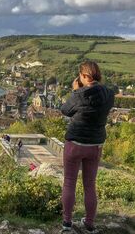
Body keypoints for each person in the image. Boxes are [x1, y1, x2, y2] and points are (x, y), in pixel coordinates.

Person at [60, 61, 114, 233]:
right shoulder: (109, 93)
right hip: (95, 144)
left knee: (69, 182)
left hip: (75, 143)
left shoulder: (79, 94)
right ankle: (89, 223)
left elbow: (65, 110)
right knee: (90, 184)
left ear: (83, 76)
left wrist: (76, 91)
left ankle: (67, 223)